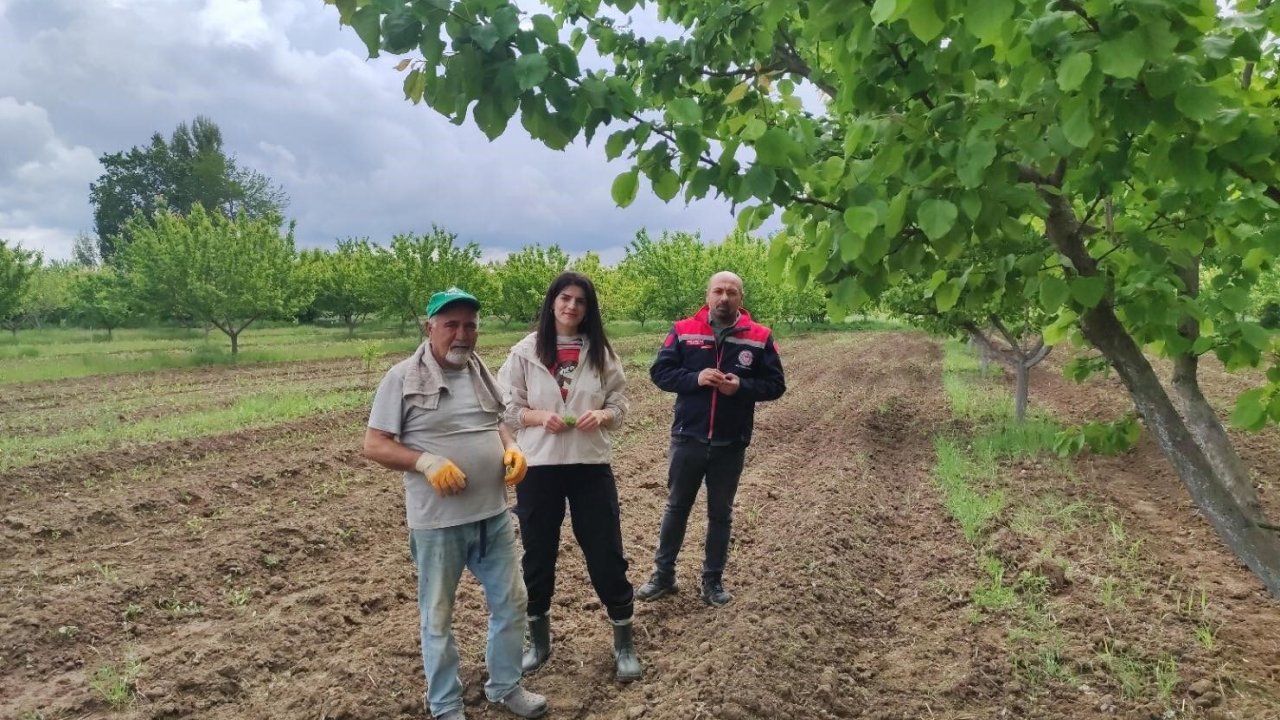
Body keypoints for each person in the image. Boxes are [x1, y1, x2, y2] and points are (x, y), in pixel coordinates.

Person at [362, 287, 548, 720]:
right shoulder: (402, 378)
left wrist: (511, 447)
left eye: (470, 325)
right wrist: (424, 461)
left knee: (512, 603)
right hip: (438, 525)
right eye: (451, 325)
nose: (462, 334)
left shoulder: (481, 373)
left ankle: (505, 686)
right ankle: (445, 704)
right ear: (430, 328)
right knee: (438, 617)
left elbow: (496, 422)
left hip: (493, 516)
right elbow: (374, 444)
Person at [498, 271, 642, 682]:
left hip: (589, 466)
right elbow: (507, 407)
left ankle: (624, 642)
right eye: (565, 298)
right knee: (538, 554)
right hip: (539, 468)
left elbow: (620, 402)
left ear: (588, 308)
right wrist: (538, 417)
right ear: (552, 303)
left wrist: (605, 415)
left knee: (606, 552)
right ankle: (538, 641)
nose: (571, 306)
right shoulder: (525, 352)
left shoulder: (600, 353)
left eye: (580, 300)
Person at [636, 271, 786, 608]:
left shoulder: (759, 337)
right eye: (718, 291)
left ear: (741, 299)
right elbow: (660, 372)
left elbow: (776, 385)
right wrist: (696, 378)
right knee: (676, 507)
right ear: (707, 296)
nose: (724, 298)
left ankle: (712, 581)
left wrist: (741, 387)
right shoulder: (683, 330)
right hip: (687, 437)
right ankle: (663, 576)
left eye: (732, 292)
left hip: (730, 443)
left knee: (720, 514)